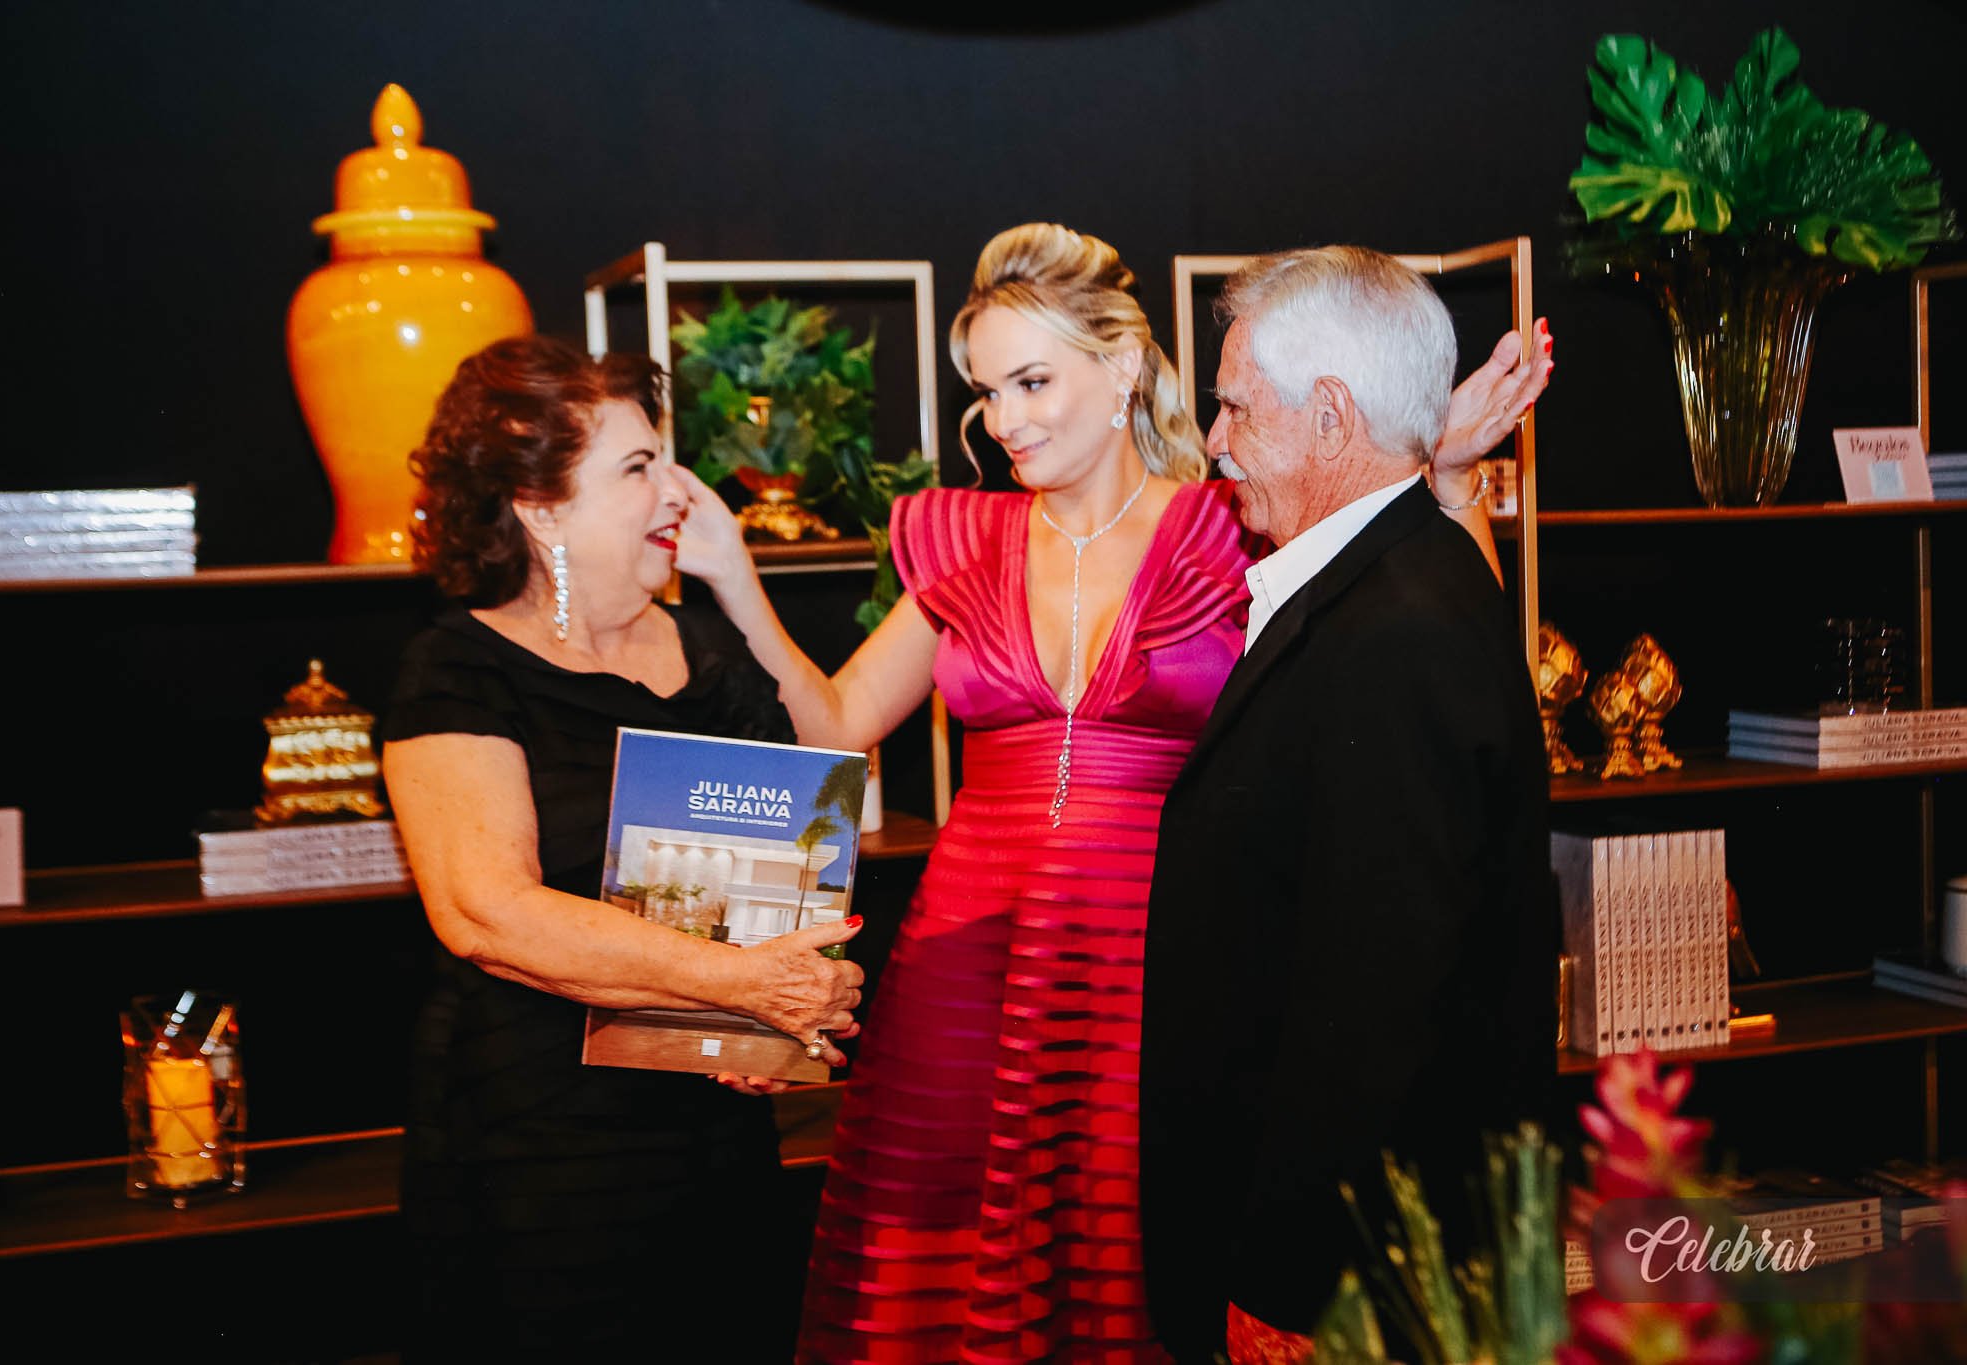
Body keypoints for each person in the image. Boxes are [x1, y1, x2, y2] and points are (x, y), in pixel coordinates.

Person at [676, 222, 1548, 1363]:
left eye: (1032, 381)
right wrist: (735, 581)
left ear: (1123, 364)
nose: (1005, 419)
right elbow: (836, 727)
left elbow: (1417, 651)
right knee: (944, 1285)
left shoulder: (1234, 523)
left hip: (1150, 970)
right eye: (988, 392)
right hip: (966, 970)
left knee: (1136, 1284)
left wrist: (1442, 476)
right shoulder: (962, 537)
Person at [380, 334, 865, 1360]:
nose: (678, 490)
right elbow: (485, 912)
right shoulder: (457, 669)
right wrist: (746, 986)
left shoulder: (705, 653)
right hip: (541, 1151)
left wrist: (765, 1029)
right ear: (540, 505)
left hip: (714, 1142)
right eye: (640, 467)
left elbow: (828, 794)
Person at [1137, 246, 1559, 1364]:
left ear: (1330, 417)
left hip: (1341, 1284)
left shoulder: (1397, 631)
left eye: (1235, 405)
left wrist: (1293, 1288)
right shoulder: (1383, 583)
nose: (1214, 439)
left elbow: (1379, 1007)